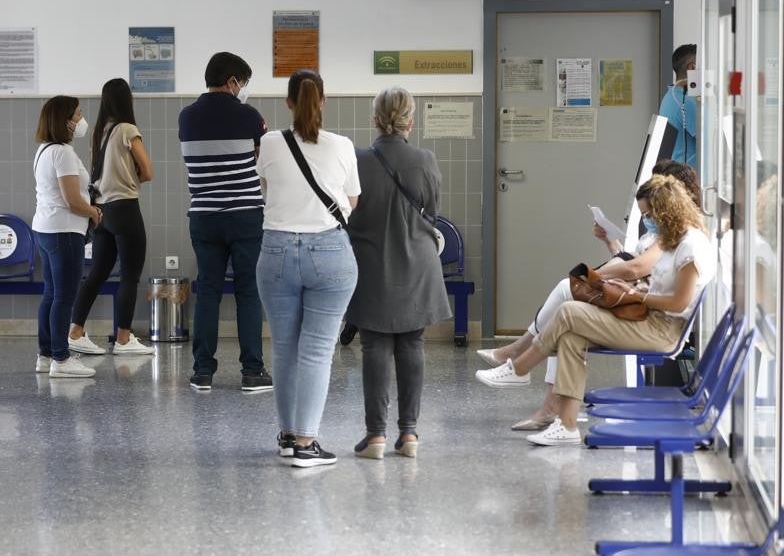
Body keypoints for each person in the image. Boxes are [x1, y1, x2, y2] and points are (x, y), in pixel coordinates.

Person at [476, 175, 715, 445]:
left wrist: (637, 295)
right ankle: (566, 426)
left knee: (569, 311)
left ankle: (519, 369)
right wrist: (633, 290)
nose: (648, 220)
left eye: (650, 214)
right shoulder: (675, 240)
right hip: (648, 317)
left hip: (662, 330)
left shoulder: (691, 246)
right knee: (571, 337)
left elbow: (679, 303)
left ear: (666, 211)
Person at [256, 69, 360, 467]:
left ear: (288, 102)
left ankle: (287, 436)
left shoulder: (269, 142)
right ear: (324, 101)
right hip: (329, 252)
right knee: (317, 350)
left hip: (276, 251)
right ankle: (306, 442)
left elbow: (268, 188)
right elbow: (352, 201)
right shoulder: (343, 145)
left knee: (284, 348)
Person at [345, 86, 450, 460]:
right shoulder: (425, 160)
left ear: (375, 119)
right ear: (411, 121)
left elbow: (348, 210)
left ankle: (375, 436)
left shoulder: (357, 160)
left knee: (374, 345)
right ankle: (409, 435)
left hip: (371, 263)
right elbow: (432, 211)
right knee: (412, 343)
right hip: (418, 263)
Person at [179, 51, 273, 392]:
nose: (243, 89)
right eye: (243, 82)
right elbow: (262, 160)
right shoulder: (249, 115)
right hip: (245, 216)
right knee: (248, 291)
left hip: (204, 216)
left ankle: (202, 371)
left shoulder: (186, 116)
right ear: (232, 81)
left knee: (208, 292)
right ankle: (252, 371)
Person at [68, 78, 156, 356]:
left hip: (102, 212)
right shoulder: (128, 129)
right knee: (130, 276)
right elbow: (148, 171)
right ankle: (123, 339)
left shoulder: (99, 132)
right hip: (126, 208)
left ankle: (75, 331)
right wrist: (133, 178)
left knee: (96, 275)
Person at [33, 95, 102, 378]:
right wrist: (94, 212)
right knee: (64, 296)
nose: (81, 119)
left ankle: (46, 355)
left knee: (51, 294)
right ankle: (61, 359)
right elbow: (72, 200)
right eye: (77, 115)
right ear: (65, 121)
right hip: (64, 231)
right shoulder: (62, 153)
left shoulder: (44, 150)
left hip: (46, 228)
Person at [658, 44, 699, 167]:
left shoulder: (671, 96)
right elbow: (713, 139)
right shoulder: (686, 103)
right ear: (692, 68)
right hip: (689, 174)